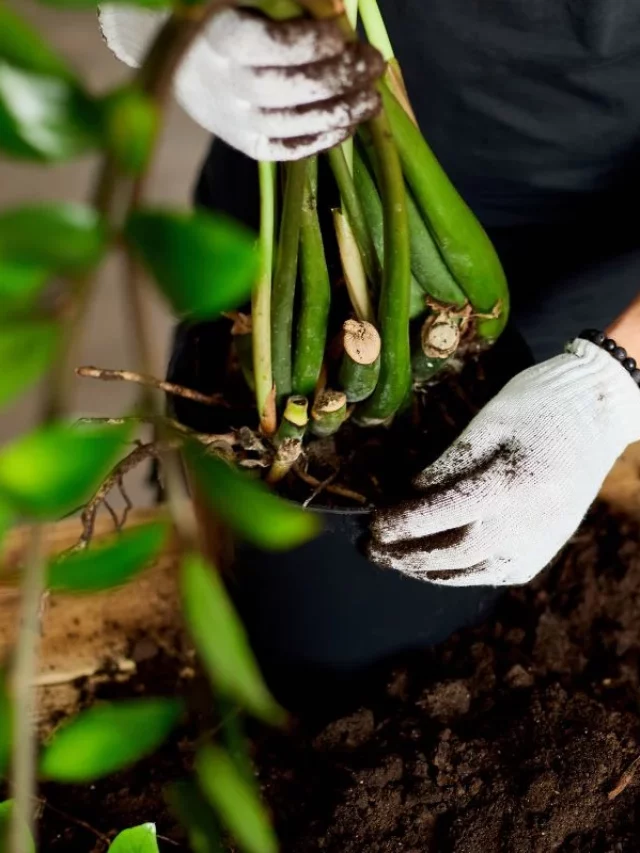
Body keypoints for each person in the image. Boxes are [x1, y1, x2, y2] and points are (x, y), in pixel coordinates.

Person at [100, 2, 640, 590]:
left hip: (572, 256)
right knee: (209, 530)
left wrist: (608, 386)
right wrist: (161, 24)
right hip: (275, 166)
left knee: (490, 544)